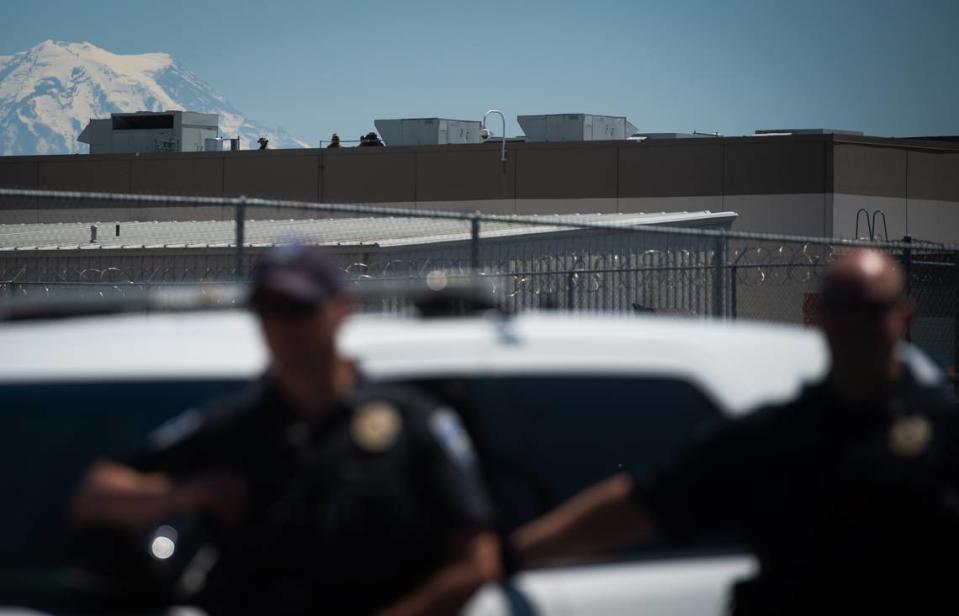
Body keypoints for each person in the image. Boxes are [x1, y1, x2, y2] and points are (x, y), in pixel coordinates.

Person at [510, 249, 959, 615]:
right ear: (820, 319)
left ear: (904, 317)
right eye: (842, 307)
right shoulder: (778, 435)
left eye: (872, 309)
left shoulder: (946, 430)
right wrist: (509, 555)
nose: (856, 324)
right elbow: (645, 503)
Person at [71, 245, 500, 615]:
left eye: (299, 308)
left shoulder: (413, 424)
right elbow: (96, 493)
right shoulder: (233, 426)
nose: (282, 326)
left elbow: (477, 560)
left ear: (340, 309)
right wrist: (189, 493)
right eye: (268, 310)